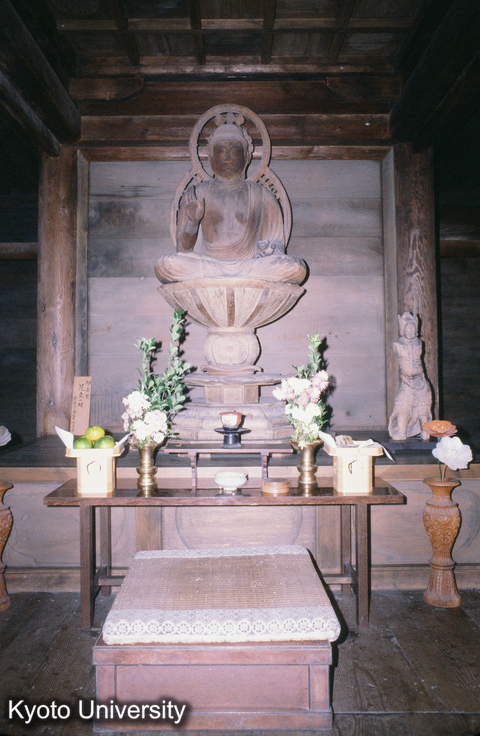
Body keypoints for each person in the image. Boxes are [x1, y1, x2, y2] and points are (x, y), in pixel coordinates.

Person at [155, 121, 307, 285]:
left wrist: (268, 252)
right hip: (208, 265)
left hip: (249, 266)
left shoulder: (263, 194)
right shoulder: (196, 194)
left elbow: (276, 247)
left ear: (246, 157)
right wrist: (192, 222)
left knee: (294, 267)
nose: (228, 157)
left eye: (234, 151)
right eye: (221, 151)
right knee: (166, 265)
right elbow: (183, 250)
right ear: (210, 157)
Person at [388, 312, 433, 440]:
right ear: (403, 329)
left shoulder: (419, 343)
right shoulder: (397, 344)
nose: (411, 331)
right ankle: (401, 432)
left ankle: (425, 431)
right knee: (402, 405)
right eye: (408, 328)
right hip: (407, 382)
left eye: (413, 328)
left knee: (423, 407)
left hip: (421, 380)